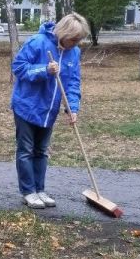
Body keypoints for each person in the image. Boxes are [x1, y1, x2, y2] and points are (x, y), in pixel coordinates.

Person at [10, 12, 90, 209]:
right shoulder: (37, 42)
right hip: (27, 106)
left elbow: (72, 82)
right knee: (26, 150)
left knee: (42, 151)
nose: (76, 43)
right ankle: (29, 191)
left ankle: (40, 189)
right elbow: (19, 68)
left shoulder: (74, 52)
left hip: (48, 110)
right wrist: (44, 70)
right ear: (64, 33)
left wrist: (72, 107)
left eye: (79, 40)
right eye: (74, 39)